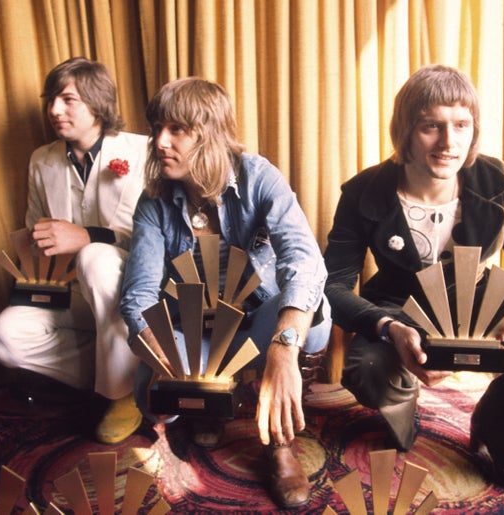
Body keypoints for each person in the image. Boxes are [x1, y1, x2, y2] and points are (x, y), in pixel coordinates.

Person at [323, 64, 504, 495]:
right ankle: (403, 409)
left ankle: (502, 437)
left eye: (461, 125)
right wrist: (388, 328)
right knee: (366, 369)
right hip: (400, 311)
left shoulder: (495, 178)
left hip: (484, 305)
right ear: (405, 130)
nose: (448, 142)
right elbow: (333, 285)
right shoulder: (364, 190)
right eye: (431, 127)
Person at [119, 77, 332, 509]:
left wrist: (283, 347)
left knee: (316, 317)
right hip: (192, 338)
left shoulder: (257, 177)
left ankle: (280, 443)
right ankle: (208, 405)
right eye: (157, 127)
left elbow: (304, 261)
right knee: (154, 403)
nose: (160, 142)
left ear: (211, 132)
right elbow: (137, 298)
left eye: (177, 129)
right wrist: (168, 361)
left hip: (256, 326)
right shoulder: (154, 201)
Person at [0, 57, 148, 444]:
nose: (54, 110)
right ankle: (132, 376)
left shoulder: (143, 151)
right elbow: (37, 230)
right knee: (2, 336)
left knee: (95, 258)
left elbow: (159, 238)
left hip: (129, 291)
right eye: (51, 100)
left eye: (68, 99)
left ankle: (122, 397)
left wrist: (88, 236)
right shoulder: (41, 160)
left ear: (98, 102)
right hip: (73, 291)